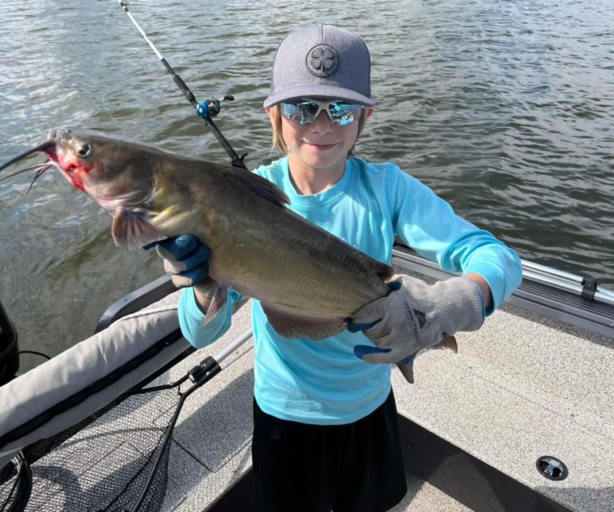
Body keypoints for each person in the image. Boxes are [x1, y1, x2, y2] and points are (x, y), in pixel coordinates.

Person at [157, 24, 522, 512]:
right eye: (302, 108)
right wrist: (203, 285)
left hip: (369, 408)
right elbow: (200, 334)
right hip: (284, 416)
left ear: (364, 118)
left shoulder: (387, 189)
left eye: (341, 108)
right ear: (275, 115)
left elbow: (498, 258)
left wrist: (452, 304)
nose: (322, 125)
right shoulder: (238, 199)